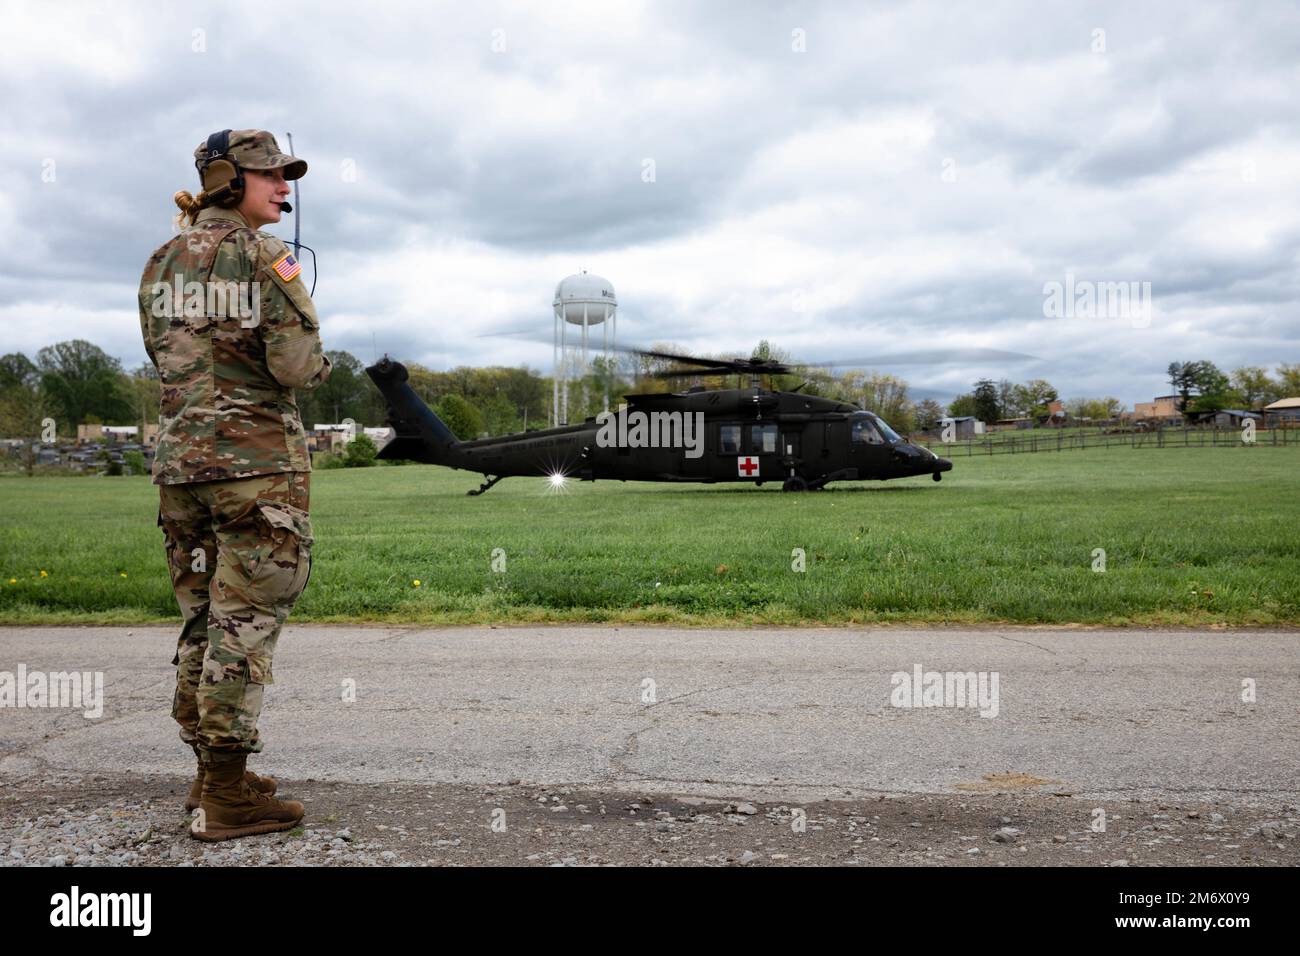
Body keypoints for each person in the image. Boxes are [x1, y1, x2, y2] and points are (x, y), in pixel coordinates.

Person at [137, 129, 331, 841]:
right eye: (270, 175)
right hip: (255, 471)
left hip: (181, 468)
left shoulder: (161, 261)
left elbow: (166, 358)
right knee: (244, 625)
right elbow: (297, 366)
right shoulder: (262, 257)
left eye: (287, 175)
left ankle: (210, 776)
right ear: (227, 180)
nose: (284, 186)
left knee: (202, 621)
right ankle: (226, 799)